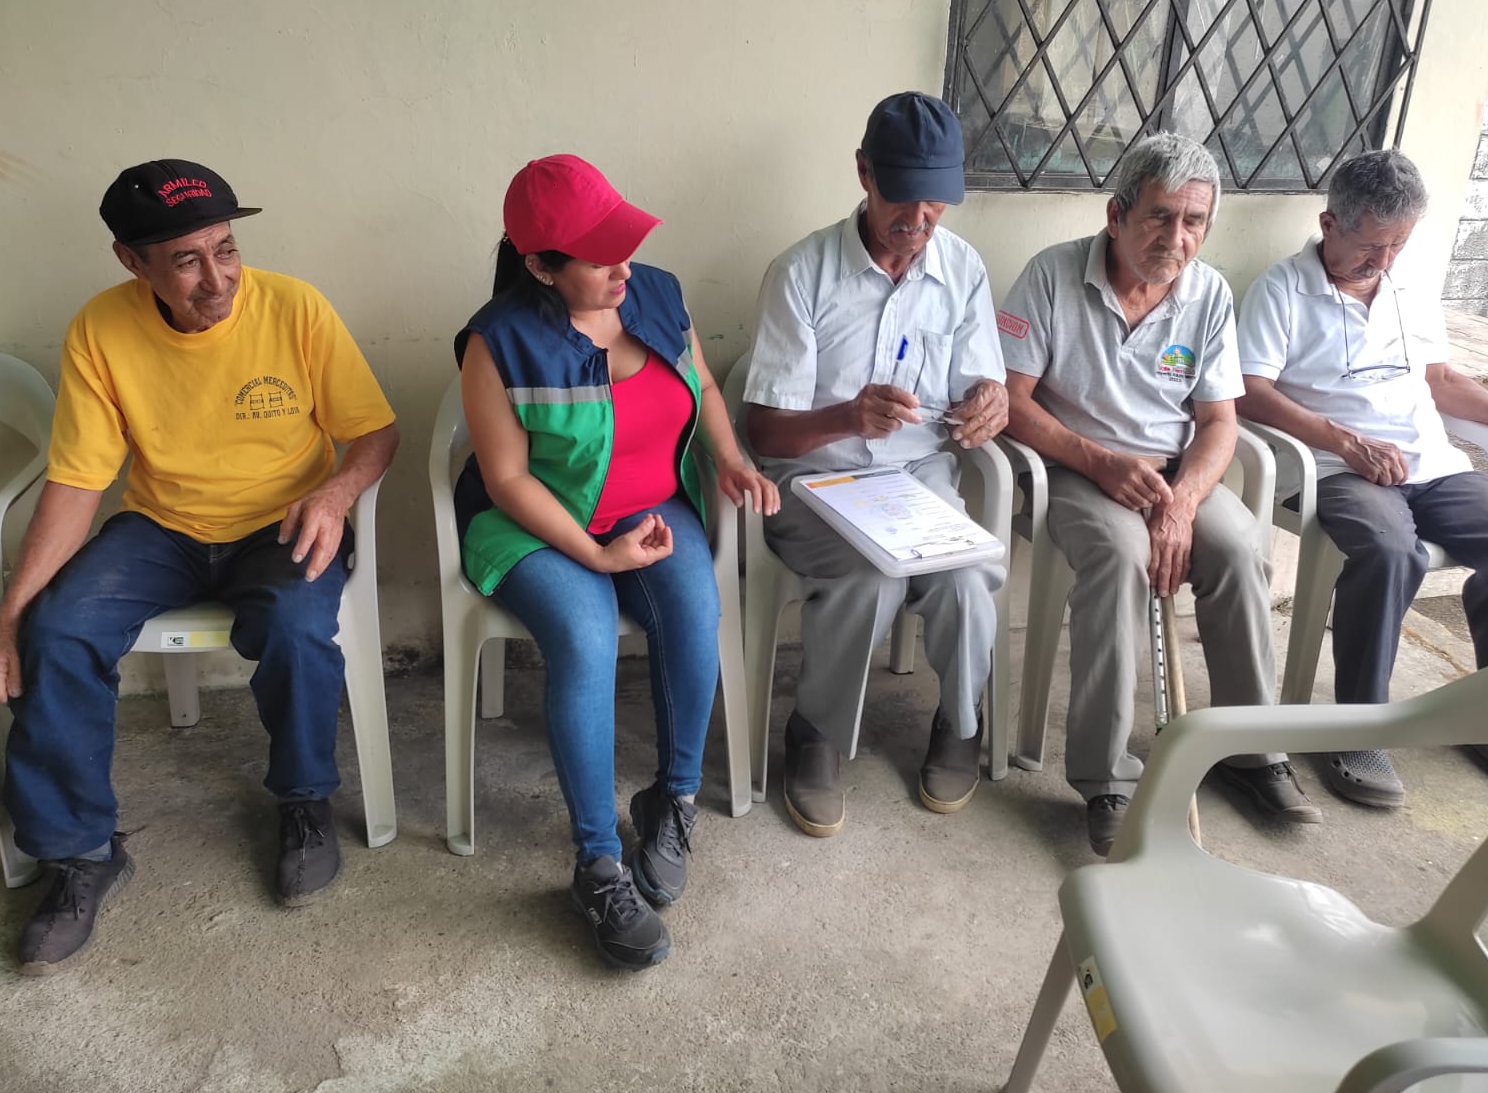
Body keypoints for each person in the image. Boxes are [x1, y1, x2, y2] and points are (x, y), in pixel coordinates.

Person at [0, 159, 399, 972]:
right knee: (55, 632)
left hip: (281, 520)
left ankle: (304, 801)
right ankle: (81, 854)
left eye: (226, 249)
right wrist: (7, 619)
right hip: (161, 528)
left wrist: (336, 492)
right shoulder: (101, 329)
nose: (218, 278)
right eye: (187, 261)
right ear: (131, 262)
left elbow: (374, 431)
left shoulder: (295, 307)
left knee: (296, 624)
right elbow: (77, 483)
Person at [454, 154, 778, 969]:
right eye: (600, 261)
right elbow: (508, 479)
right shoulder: (498, 341)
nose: (623, 271)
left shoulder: (659, 294)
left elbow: (703, 387)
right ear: (541, 266)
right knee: (586, 636)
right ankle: (598, 864)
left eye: (625, 247)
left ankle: (671, 799)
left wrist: (731, 459)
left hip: (651, 508)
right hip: (539, 524)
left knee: (695, 612)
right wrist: (597, 554)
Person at [998, 133, 1320, 857]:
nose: (1177, 238)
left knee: (1239, 549)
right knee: (1119, 556)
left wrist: (1180, 503)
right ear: (1116, 215)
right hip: (1075, 466)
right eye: (1160, 217)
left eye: (1194, 221)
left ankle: (1250, 750)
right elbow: (1012, 400)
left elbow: (1220, 422)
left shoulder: (1208, 295)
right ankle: (1107, 779)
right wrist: (1099, 461)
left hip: (1173, 473)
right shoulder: (1051, 275)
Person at [1236, 148, 1488, 808]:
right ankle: (1357, 727)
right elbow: (1249, 391)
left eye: (1397, 246)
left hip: (1431, 466)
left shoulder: (1409, 286)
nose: (1383, 261)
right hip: (1335, 467)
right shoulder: (1282, 290)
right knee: (1390, 552)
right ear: (1330, 224)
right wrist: (1343, 440)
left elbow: (1439, 379)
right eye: (1370, 246)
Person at [740, 91, 1008, 838]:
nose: (918, 220)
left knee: (967, 574)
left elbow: (982, 386)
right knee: (869, 573)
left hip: (918, 480)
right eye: (902, 197)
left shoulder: (962, 270)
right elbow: (763, 431)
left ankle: (960, 721)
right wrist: (846, 417)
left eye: (936, 203)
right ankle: (816, 732)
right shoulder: (802, 273)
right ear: (864, 173)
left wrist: (990, 405)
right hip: (814, 482)